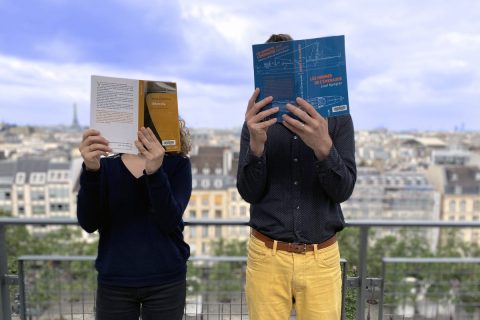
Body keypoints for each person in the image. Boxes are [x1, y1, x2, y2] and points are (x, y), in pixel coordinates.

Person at [237, 34, 357, 320]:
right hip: (267, 254)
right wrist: (256, 144)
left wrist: (322, 145)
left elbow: (343, 190)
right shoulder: (256, 123)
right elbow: (248, 192)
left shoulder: (338, 119)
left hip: (321, 257)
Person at [77, 120, 192, 320]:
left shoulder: (178, 164)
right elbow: (89, 222)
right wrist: (91, 171)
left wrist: (155, 172)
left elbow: (168, 220)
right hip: (115, 280)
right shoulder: (104, 166)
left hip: (165, 279)